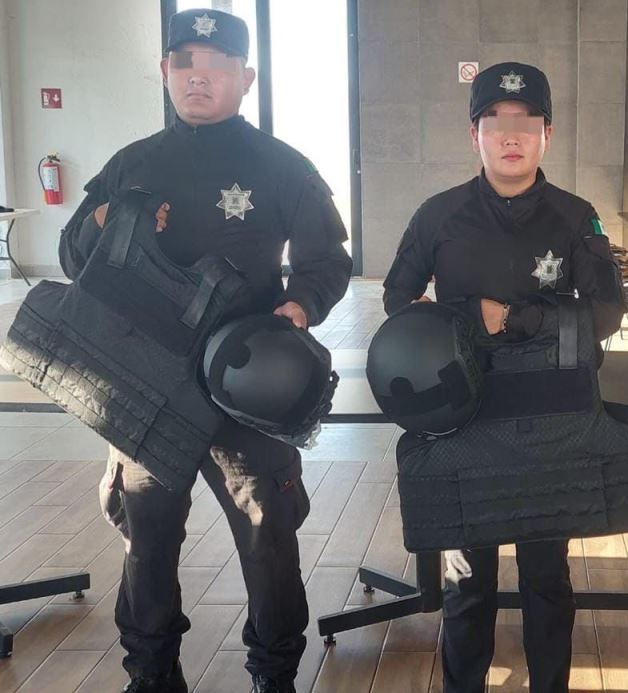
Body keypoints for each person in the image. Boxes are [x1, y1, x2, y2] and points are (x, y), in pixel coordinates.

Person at [58, 9, 352, 693]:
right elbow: (74, 256)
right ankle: (152, 674)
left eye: (217, 65)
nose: (199, 76)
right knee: (147, 541)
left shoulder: (282, 166)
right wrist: (106, 216)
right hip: (146, 386)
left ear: (245, 78)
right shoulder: (132, 164)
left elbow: (327, 260)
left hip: (245, 384)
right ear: (165, 71)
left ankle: (274, 672)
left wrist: (299, 306)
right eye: (185, 62)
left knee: (268, 536)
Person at [382, 61, 626, 693]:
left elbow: (606, 312)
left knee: (547, 577)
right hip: (465, 415)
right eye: (494, 122)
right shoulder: (438, 215)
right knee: (467, 582)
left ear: (548, 133)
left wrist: (518, 319)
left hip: (551, 417)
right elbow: (398, 299)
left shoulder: (576, 216)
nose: (510, 135)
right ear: (475, 135)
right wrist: (469, 317)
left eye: (525, 121)